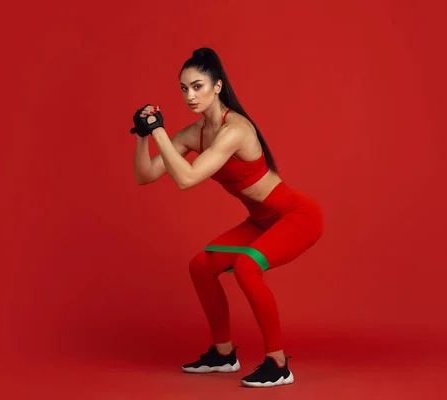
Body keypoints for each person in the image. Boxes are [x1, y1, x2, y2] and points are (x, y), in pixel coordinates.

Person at [130, 47, 324, 388]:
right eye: (184, 88)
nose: (190, 95)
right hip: (261, 220)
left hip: (297, 215)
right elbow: (145, 175)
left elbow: (187, 179)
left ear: (218, 86)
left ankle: (278, 364)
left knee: (248, 268)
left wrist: (159, 131)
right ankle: (223, 355)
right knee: (201, 267)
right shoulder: (194, 134)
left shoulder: (235, 129)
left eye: (198, 86)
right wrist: (144, 135)